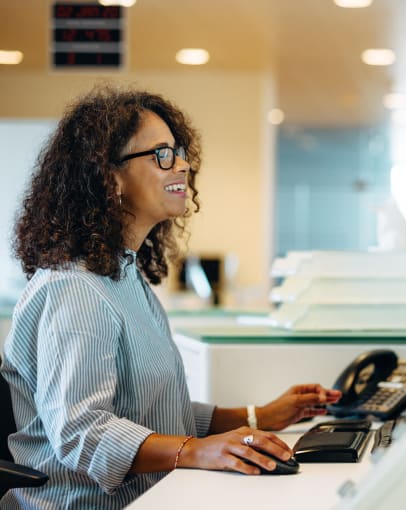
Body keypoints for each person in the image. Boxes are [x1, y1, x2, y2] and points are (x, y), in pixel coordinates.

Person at [0, 84, 341, 509]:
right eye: (162, 155)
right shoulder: (75, 288)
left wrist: (260, 416)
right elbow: (81, 432)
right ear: (109, 176)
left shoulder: (123, 275)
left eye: (179, 152)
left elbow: (156, 413)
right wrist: (195, 451)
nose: (181, 166)